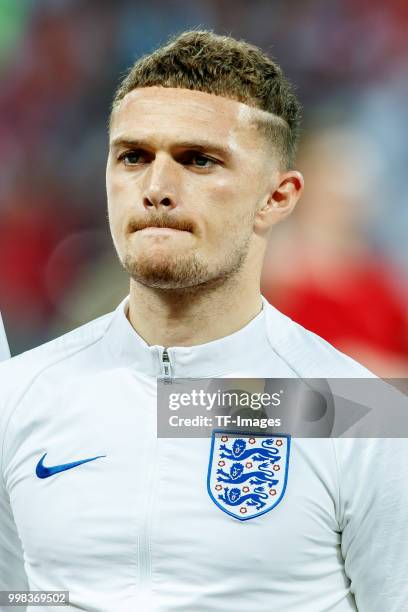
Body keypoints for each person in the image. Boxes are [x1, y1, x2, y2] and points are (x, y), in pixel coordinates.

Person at [0, 30, 406, 612]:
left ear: (278, 197)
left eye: (199, 160)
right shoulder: (20, 394)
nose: (157, 189)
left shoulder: (363, 414)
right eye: (133, 157)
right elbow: (15, 595)